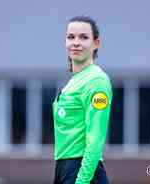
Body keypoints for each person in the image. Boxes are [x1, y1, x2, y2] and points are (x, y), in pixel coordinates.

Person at [53, 15, 113, 184]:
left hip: (83, 173)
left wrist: (81, 181)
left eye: (83, 37)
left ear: (96, 43)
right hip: (64, 168)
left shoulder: (96, 82)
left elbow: (95, 140)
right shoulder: (74, 81)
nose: (76, 42)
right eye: (71, 37)